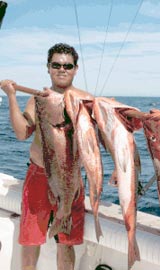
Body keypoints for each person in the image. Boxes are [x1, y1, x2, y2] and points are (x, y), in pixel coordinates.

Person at [0, 43, 86, 270]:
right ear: (48, 68)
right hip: (39, 175)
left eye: (68, 65)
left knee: (66, 243)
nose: (62, 69)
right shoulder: (37, 99)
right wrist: (11, 96)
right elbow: (21, 133)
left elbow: (104, 138)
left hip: (71, 181)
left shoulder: (86, 101)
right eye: (56, 65)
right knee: (30, 241)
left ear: (76, 69)